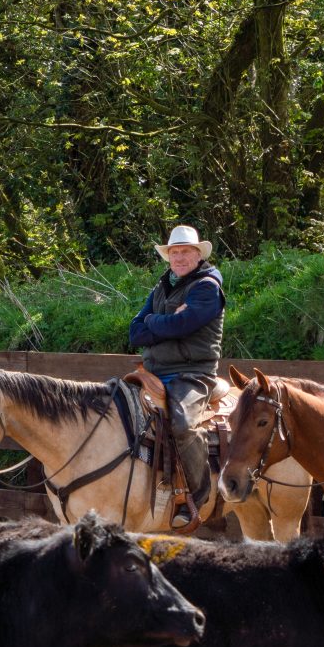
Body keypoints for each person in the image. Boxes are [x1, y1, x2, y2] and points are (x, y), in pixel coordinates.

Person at [129, 224, 225, 531]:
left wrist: (153, 322)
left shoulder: (207, 287)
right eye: (174, 252)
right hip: (153, 373)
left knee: (183, 425)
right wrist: (165, 321)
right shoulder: (161, 287)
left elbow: (183, 326)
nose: (179, 257)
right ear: (168, 257)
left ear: (198, 255)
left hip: (192, 373)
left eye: (186, 251)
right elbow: (134, 333)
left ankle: (198, 496)